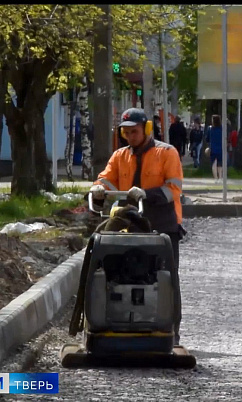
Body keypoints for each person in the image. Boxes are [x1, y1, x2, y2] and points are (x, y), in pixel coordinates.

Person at [89, 107, 186, 345]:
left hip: (163, 226)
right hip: (129, 225)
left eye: (134, 131)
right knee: (122, 273)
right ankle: (122, 322)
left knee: (167, 277)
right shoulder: (120, 156)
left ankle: (171, 330)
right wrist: (99, 191)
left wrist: (146, 194)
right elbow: (106, 179)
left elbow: (173, 188)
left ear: (147, 129)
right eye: (126, 133)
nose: (130, 137)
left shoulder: (167, 153)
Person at [206, 114, 224, 182]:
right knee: (220, 164)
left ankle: (215, 178)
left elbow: (207, 139)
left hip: (212, 148)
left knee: (213, 163)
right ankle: (220, 177)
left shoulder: (210, 128)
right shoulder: (222, 128)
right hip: (220, 148)